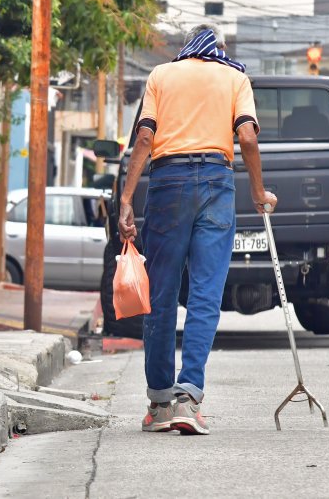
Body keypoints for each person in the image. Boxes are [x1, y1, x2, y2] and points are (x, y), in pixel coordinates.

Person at [117, 23, 277, 435]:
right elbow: (247, 138)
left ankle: (159, 405)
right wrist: (259, 193)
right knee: (206, 294)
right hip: (217, 183)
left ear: (186, 47)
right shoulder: (235, 77)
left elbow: (145, 138)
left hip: (168, 183)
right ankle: (189, 397)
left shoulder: (162, 75)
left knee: (162, 294)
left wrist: (126, 199)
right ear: (219, 48)